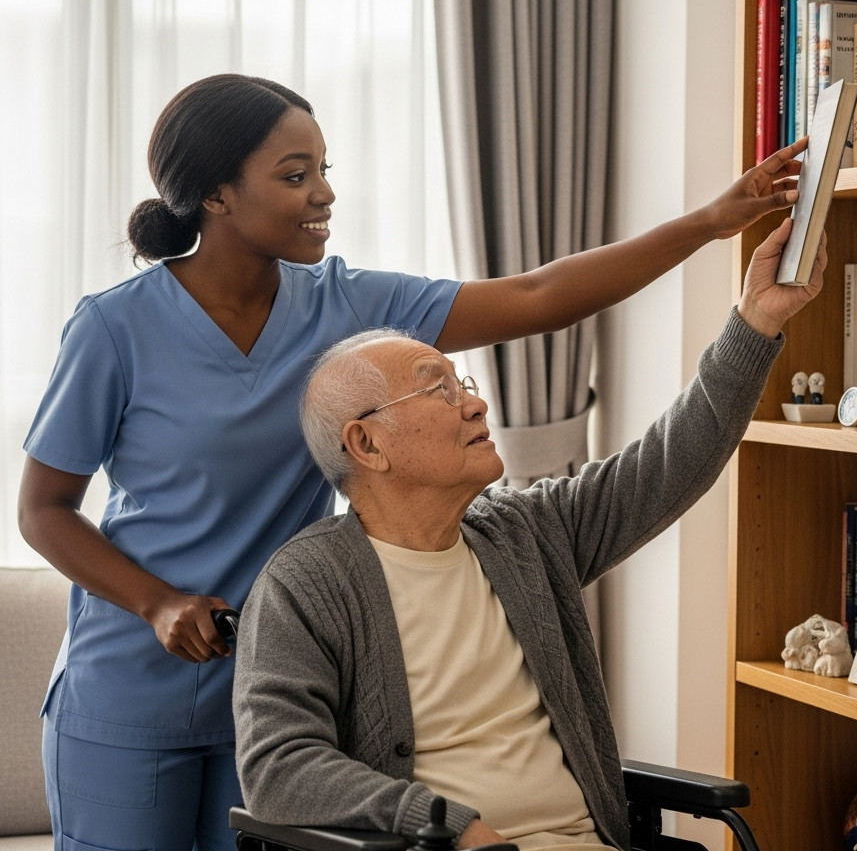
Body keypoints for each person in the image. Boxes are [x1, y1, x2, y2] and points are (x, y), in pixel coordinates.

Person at [17, 72, 805, 851]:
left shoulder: (346, 305)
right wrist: (156, 603)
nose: (323, 192)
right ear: (217, 195)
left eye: (325, 169)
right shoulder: (113, 329)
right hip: (127, 686)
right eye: (295, 176)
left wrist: (712, 222)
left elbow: (535, 296)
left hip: (278, 693)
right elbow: (42, 509)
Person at [231, 218, 827, 851]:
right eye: (437, 389)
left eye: (461, 383)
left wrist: (755, 320)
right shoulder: (306, 585)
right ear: (367, 443)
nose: (475, 404)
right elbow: (279, 768)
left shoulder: (523, 533)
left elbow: (667, 465)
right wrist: (444, 823)